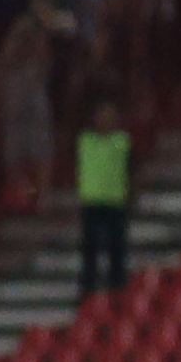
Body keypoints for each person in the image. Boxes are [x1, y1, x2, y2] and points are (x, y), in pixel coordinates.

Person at [74, 109, 135, 298]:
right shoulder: (85, 141)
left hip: (115, 201)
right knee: (90, 248)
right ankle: (88, 287)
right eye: (101, 117)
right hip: (91, 201)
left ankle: (117, 286)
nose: (104, 121)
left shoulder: (122, 141)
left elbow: (131, 169)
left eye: (109, 117)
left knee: (116, 247)